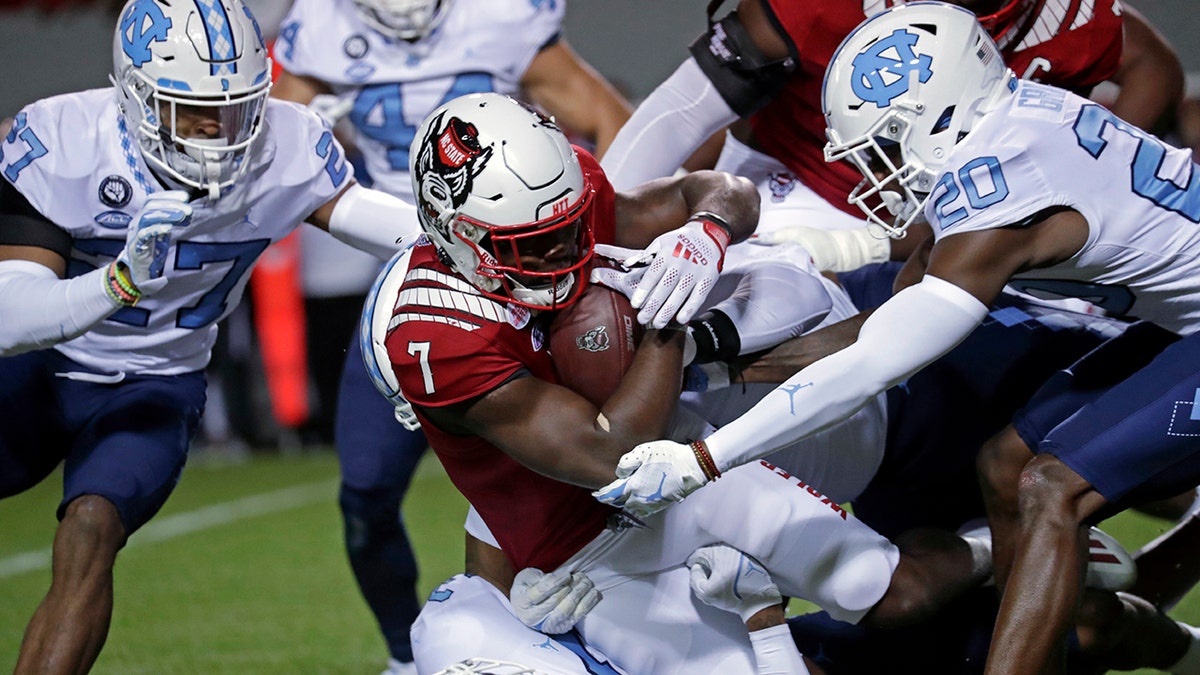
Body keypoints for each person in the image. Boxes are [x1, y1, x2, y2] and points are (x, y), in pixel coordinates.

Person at [595, 3, 1200, 673]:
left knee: (1050, 485)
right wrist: (708, 364)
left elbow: (873, 366)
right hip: (1182, 324)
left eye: (886, 140)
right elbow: (872, 328)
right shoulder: (1010, 121)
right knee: (1007, 466)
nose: (876, 167)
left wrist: (705, 457)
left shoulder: (1002, 195)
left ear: (941, 117)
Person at [377, 90, 1002, 674]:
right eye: (531, 245)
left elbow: (723, 191)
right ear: (457, 235)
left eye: (568, 230)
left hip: (676, 460)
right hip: (590, 551)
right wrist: (670, 318)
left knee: (894, 593)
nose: (564, 254)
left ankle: (999, 548)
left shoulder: (561, 200)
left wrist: (705, 235)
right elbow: (610, 455)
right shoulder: (438, 338)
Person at [0, 0, 427, 671]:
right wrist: (115, 282)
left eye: (234, 108)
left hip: (155, 383)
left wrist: (480, 234)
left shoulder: (286, 146)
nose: (216, 129)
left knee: (90, 529)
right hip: (44, 366)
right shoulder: (65, 140)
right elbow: (9, 317)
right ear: (135, 95)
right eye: (190, 107)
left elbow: (390, 227)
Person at [269, 1, 633, 671]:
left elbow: (610, 118)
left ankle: (592, 618)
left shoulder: (498, 16)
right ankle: (403, 656)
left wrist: (586, 246)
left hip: (521, 290)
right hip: (416, 288)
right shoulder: (320, 27)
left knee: (569, 461)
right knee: (366, 494)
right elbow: (265, 143)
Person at [599, 0, 1182, 291]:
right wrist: (597, 225)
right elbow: (683, 109)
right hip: (782, 181)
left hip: (945, 227)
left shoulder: (1071, 22)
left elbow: (1153, 66)